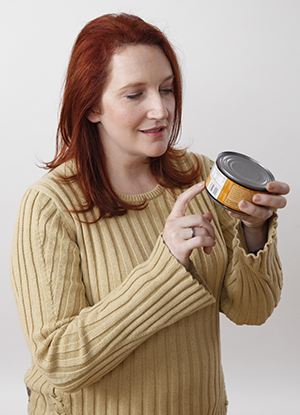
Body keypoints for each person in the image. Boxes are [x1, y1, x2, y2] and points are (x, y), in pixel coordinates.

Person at [11, 13, 289, 415]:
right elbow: (58, 360)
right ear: (91, 106)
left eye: (167, 89)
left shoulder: (199, 177)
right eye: (134, 94)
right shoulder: (50, 206)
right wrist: (166, 267)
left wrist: (254, 230)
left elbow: (253, 310)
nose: (161, 110)